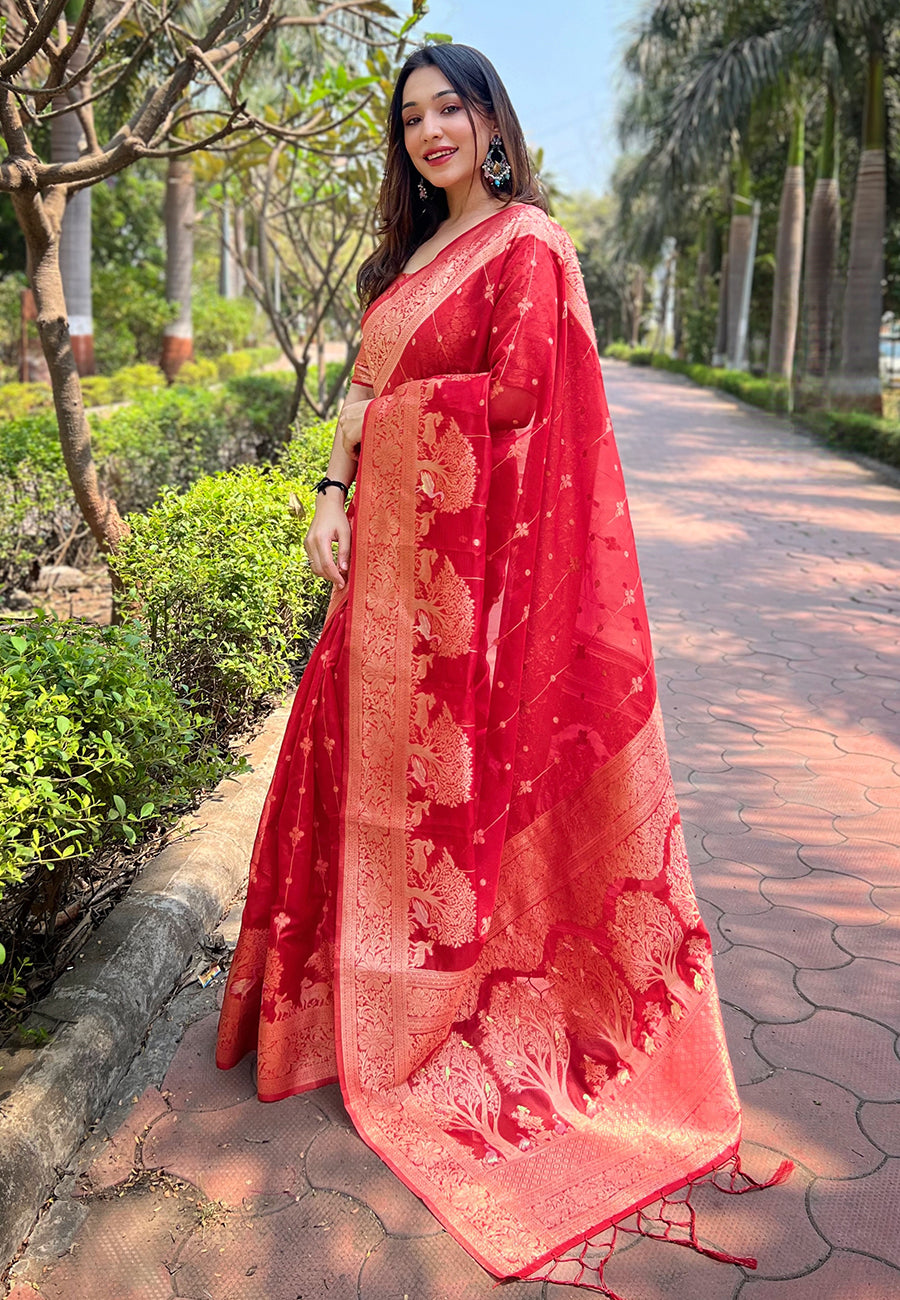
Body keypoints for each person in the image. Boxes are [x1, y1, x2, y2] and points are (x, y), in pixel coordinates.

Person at [216, 42, 789, 1291]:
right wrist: (330, 488)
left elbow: (529, 398)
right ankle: (329, 1014)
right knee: (338, 770)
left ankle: (437, 1019)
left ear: (491, 120)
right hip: (382, 570)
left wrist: (381, 431)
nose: (431, 132)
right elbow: (364, 392)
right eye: (412, 115)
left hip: (463, 598)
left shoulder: (527, 245)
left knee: (444, 809)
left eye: (451, 108)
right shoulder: (408, 261)